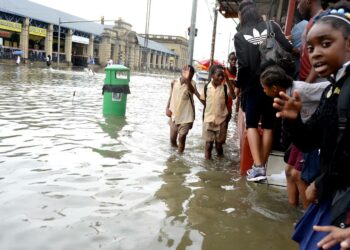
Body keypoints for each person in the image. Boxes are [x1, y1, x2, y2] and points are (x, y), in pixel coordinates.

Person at [273, 9, 350, 249]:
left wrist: (321, 182)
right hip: (334, 194)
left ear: (348, 43)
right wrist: (293, 120)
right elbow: (309, 141)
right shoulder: (332, 89)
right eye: (311, 48)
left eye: (326, 43)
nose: (316, 53)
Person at [234, 0, 294, 181]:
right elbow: (288, 48)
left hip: (252, 85)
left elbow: (243, 65)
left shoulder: (240, 35)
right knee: (269, 125)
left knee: (251, 124)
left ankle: (258, 167)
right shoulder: (271, 26)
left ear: (241, 15)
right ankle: (262, 167)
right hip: (273, 82)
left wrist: (239, 86)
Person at [260, 65, 329, 208]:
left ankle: (306, 218)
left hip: (312, 135)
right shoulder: (283, 95)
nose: (263, 90)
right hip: (300, 135)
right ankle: (292, 212)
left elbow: (329, 88)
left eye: (264, 87)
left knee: (299, 176)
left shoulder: (301, 90)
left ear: (274, 88)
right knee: (288, 172)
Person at [200, 65, 235, 160]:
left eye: (222, 76)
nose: (221, 77)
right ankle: (207, 167)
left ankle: (220, 161)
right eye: (219, 75)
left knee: (219, 145)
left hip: (221, 121)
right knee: (208, 145)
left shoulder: (224, 87)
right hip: (208, 120)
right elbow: (204, 100)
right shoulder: (207, 87)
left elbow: (233, 96)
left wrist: (227, 80)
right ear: (212, 75)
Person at [166, 65, 201, 153]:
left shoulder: (192, 83)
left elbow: (192, 90)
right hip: (175, 115)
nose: (188, 75)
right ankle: (174, 158)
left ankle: (180, 157)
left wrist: (187, 80)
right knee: (172, 140)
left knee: (181, 137)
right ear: (182, 71)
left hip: (186, 116)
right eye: (186, 72)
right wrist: (167, 107)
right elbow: (171, 96)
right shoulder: (174, 82)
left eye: (191, 75)